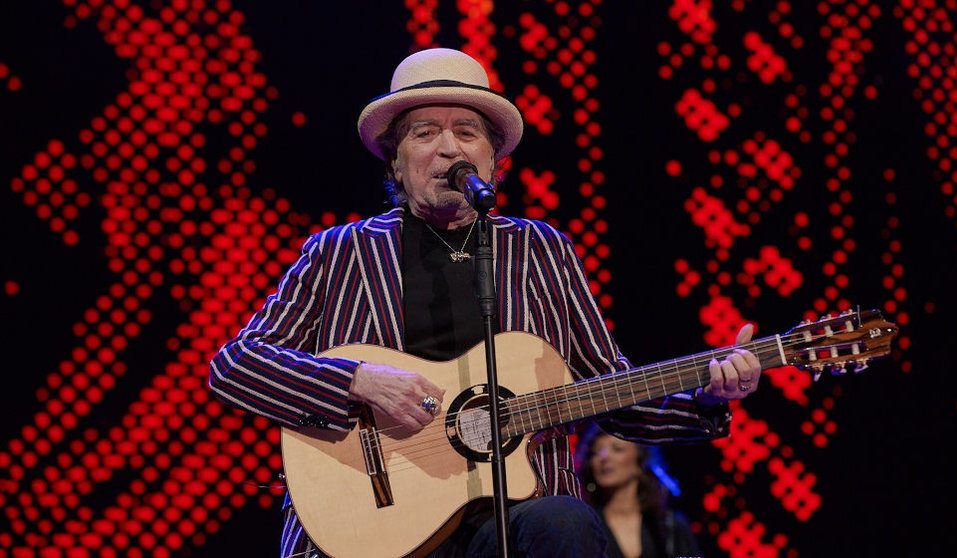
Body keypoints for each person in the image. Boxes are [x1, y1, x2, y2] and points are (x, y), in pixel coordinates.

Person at [208, 47, 762, 558]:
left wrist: (707, 398)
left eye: (467, 132)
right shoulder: (342, 252)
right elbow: (234, 367)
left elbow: (609, 388)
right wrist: (354, 381)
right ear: (395, 164)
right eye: (425, 132)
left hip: (515, 517)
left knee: (565, 523)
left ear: (492, 160)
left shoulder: (542, 251)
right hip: (368, 523)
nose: (449, 147)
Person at [577, 426, 703, 558]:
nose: (603, 457)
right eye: (595, 452)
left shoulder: (670, 526)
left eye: (617, 449)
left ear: (640, 461)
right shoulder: (585, 526)